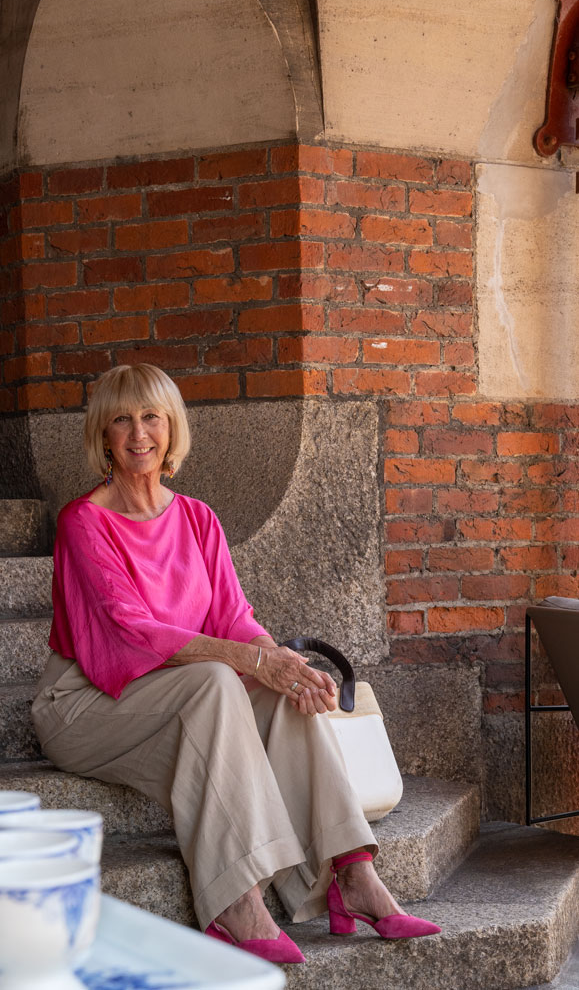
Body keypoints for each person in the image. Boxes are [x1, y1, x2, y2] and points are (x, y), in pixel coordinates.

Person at [31, 363, 440, 964]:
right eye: (122, 419)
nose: (138, 433)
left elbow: (233, 618)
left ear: (171, 429)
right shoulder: (83, 522)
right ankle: (236, 903)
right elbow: (129, 632)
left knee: (277, 693)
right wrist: (250, 659)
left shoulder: (197, 518)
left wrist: (283, 664)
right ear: (103, 436)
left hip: (180, 689)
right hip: (85, 701)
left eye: (152, 417)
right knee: (222, 679)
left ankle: (352, 876)